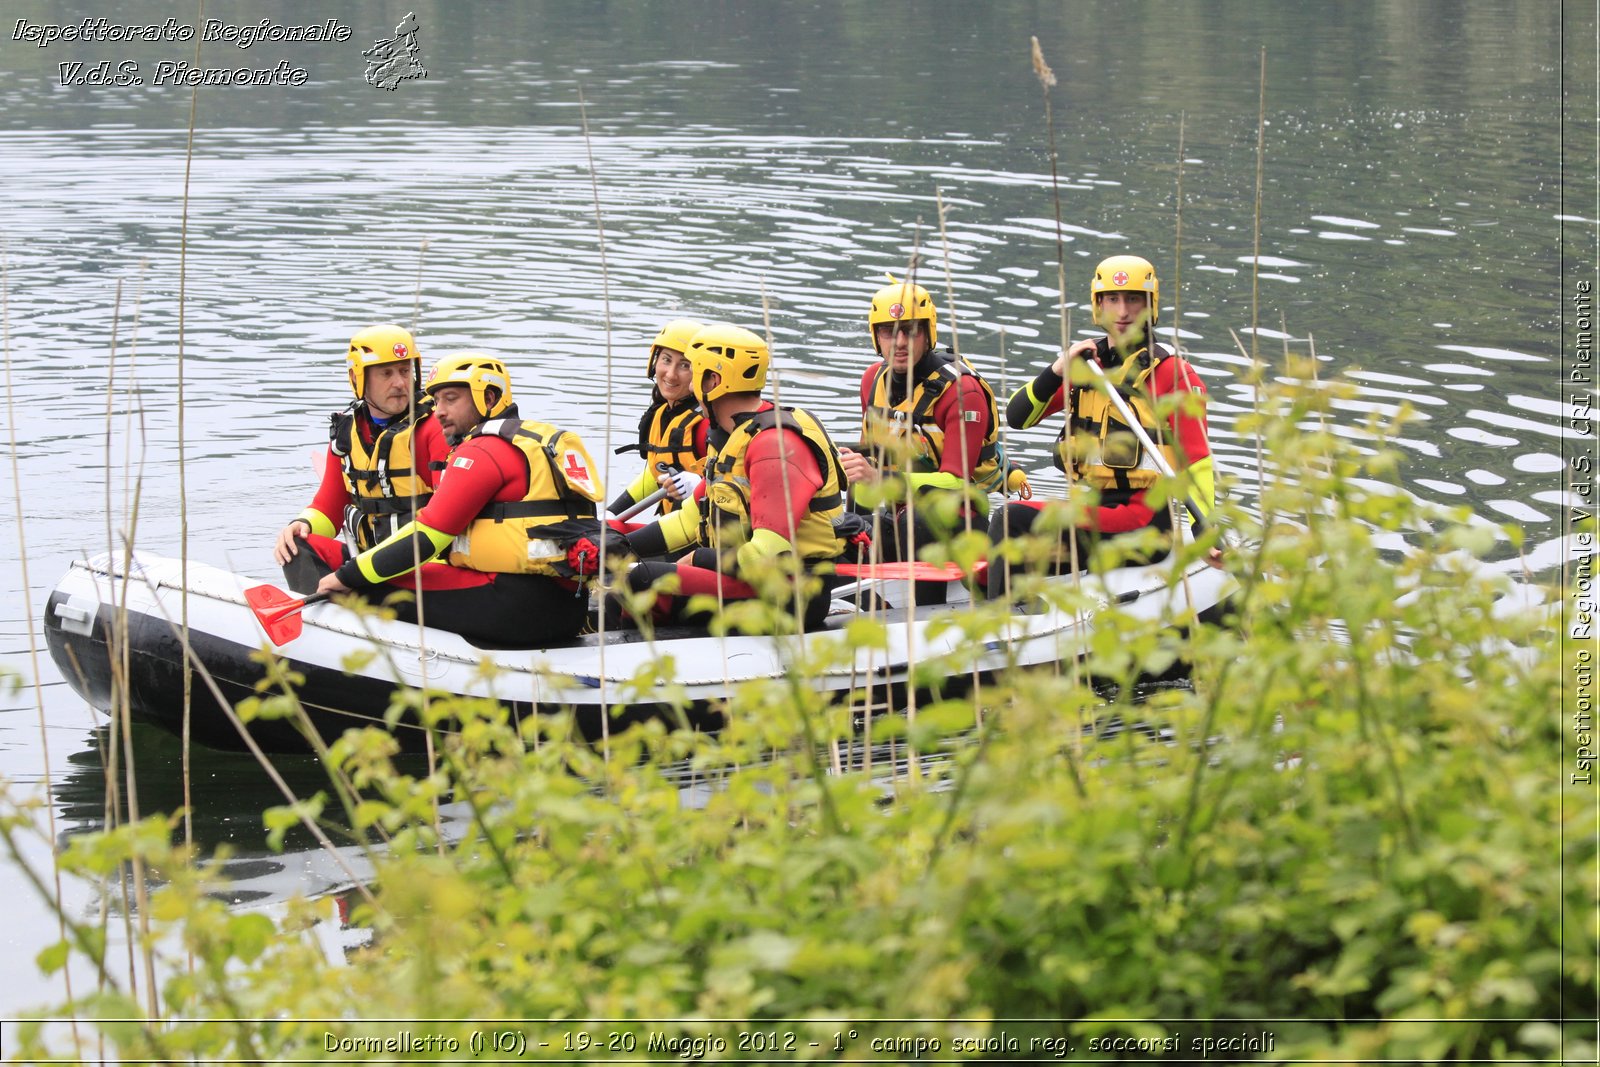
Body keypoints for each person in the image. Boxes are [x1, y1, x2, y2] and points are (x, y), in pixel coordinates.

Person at [312, 352, 607, 647]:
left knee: (364, 586)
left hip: (517, 609)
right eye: (437, 400)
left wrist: (349, 576)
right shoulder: (533, 442)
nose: (438, 411)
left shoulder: (482, 452)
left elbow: (427, 537)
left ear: (488, 399)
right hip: (569, 608)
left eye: (450, 399)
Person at [987, 254, 1215, 599]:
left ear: (1150, 305)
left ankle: (1006, 632)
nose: (1122, 311)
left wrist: (1208, 532)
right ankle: (1019, 620)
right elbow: (1019, 417)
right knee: (991, 559)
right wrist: (1056, 371)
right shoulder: (1086, 366)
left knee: (1010, 520)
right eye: (1113, 299)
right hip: (1094, 512)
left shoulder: (1173, 373)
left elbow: (1198, 461)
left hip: (1145, 523)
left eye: (1133, 299)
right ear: (1099, 305)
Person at [621, 323, 850, 632]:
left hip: (789, 595)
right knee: (622, 572)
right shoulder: (731, 435)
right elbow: (689, 521)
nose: (688, 388)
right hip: (742, 580)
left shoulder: (775, 447)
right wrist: (616, 546)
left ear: (714, 380)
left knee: (642, 581)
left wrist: (698, 559)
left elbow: (764, 555)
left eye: (695, 374)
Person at [838, 277, 1009, 565]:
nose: (900, 343)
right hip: (899, 515)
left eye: (911, 331)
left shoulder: (962, 392)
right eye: (889, 332)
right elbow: (872, 463)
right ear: (876, 336)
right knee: (844, 521)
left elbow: (957, 482)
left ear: (928, 332)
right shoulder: (872, 380)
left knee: (915, 518)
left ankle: (926, 604)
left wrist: (879, 479)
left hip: (957, 522)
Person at [273, 324, 449, 594]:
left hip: (424, 565)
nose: (400, 383)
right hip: (366, 563)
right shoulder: (346, 432)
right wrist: (304, 523)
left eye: (404, 371)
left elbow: (447, 518)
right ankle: (329, 622)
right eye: (386, 373)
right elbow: (329, 506)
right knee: (297, 544)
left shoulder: (435, 428)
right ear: (358, 378)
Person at [607, 317, 708, 522]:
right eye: (666, 360)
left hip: (702, 539)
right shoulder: (662, 413)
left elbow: (735, 487)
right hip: (672, 527)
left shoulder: (707, 424)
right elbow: (659, 471)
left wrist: (700, 484)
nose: (670, 375)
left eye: (685, 365)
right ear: (654, 360)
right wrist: (612, 512)